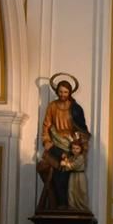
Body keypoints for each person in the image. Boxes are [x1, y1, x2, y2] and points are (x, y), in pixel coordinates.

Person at [37, 75, 91, 210]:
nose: (63, 94)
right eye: (60, 92)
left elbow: (81, 127)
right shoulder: (52, 106)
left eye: (66, 92)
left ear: (70, 93)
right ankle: (59, 204)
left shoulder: (75, 108)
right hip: (55, 142)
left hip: (71, 144)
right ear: (57, 91)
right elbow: (46, 125)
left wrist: (80, 141)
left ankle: (69, 204)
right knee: (57, 175)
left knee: (69, 175)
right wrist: (46, 140)